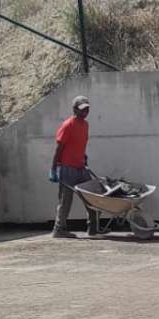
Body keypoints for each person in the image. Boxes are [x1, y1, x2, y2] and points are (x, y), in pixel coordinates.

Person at [50, 96, 95, 238]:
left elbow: (79, 144)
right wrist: (53, 168)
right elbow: (59, 148)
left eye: (87, 109)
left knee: (92, 196)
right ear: (75, 109)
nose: (85, 112)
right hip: (67, 168)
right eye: (82, 110)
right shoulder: (68, 125)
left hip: (80, 167)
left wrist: (84, 157)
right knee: (66, 200)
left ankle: (93, 227)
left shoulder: (85, 125)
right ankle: (59, 229)